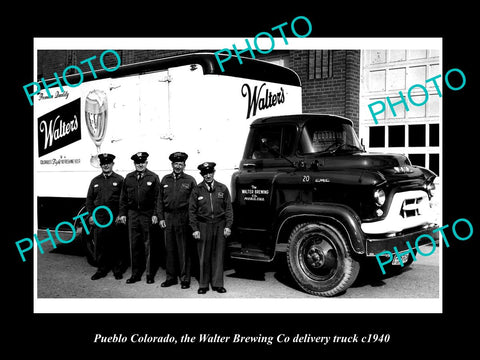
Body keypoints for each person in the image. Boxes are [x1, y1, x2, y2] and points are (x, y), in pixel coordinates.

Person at [189, 162, 233, 294]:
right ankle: (203, 284)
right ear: (202, 175)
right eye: (205, 173)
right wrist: (195, 229)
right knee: (204, 255)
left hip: (220, 225)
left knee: (218, 255)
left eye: (210, 173)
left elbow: (229, 209)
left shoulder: (222, 188)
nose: (208, 175)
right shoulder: (197, 190)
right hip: (203, 225)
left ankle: (217, 284)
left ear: (213, 173)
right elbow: (191, 211)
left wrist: (228, 226)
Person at [157, 152, 197, 289]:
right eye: (176, 164)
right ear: (172, 164)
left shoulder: (190, 180)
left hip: (183, 217)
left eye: (181, 164)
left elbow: (194, 204)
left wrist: (192, 221)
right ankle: (171, 278)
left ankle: (185, 279)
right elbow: (159, 201)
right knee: (170, 249)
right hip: (168, 217)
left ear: (184, 165)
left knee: (183, 249)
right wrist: (161, 217)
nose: (178, 166)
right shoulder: (165, 179)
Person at [119, 152, 160, 284]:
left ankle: (149, 274)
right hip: (133, 215)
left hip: (147, 215)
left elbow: (157, 199)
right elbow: (123, 198)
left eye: (142, 162)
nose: (140, 165)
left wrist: (155, 214)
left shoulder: (153, 177)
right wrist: (123, 214)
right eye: (137, 163)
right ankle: (135, 274)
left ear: (146, 163)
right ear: (134, 164)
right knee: (134, 245)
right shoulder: (129, 177)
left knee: (148, 245)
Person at [85, 153, 125, 280]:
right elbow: (89, 200)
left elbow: (124, 200)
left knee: (116, 244)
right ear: (100, 165)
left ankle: (117, 270)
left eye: (108, 163)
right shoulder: (95, 181)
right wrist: (91, 216)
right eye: (103, 164)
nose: (106, 166)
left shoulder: (119, 180)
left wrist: (121, 214)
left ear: (112, 164)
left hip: (113, 217)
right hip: (99, 218)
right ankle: (101, 269)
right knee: (100, 244)